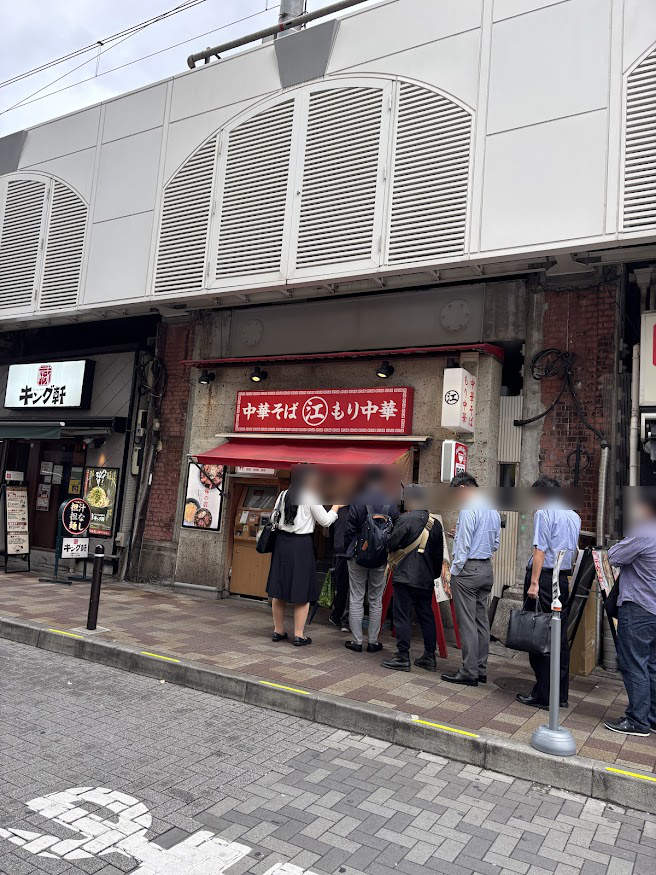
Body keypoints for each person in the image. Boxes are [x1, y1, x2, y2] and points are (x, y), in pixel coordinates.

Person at [516, 476, 581, 710]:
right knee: (558, 638)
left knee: (539, 635)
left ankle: (543, 693)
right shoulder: (574, 515)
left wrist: (533, 583)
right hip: (562, 579)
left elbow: (539, 550)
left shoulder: (544, 513)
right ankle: (560, 694)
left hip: (544, 578)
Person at [267, 466, 340, 646]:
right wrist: (336, 507)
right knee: (302, 590)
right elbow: (325, 521)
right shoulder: (310, 496)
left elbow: (272, 519)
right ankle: (299, 635)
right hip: (301, 546)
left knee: (279, 589)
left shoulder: (283, 495)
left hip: (282, 545)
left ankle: (278, 631)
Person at [604, 488, 656, 737]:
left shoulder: (645, 532)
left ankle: (637, 719)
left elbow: (613, 556)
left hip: (639, 607)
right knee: (653, 665)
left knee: (634, 663)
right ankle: (652, 716)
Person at [442, 472, 500, 686]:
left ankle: (469, 671)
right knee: (481, 621)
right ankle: (481, 669)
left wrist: (455, 571)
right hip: (486, 568)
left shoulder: (468, 509)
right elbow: (494, 543)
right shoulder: (492, 508)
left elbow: (464, 545)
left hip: (467, 571)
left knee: (467, 624)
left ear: (464, 487)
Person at [381, 486, 444, 672]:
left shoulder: (405, 519)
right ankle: (429, 655)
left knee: (402, 616)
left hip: (405, 576)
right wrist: (433, 575)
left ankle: (402, 656)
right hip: (426, 577)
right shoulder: (436, 524)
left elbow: (391, 543)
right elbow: (438, 555)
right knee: (426, 615)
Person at [344, 467, 400, 653]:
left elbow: (349, 529)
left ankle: (357, 641)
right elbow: (396, 530)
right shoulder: (391, 503)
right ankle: (374, 641)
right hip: (381, 557)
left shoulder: (358, 500)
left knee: (356, 597)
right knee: (376, 599)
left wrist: (349, 548)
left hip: (357, 555)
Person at [329, 504, 350, 631]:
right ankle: (344, 620)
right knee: (349, 588)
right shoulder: (361, 508)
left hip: (338, 549)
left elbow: (330, 530)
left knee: (341, 585)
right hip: (349, 550)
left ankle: (337, 615)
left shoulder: (339, 510)